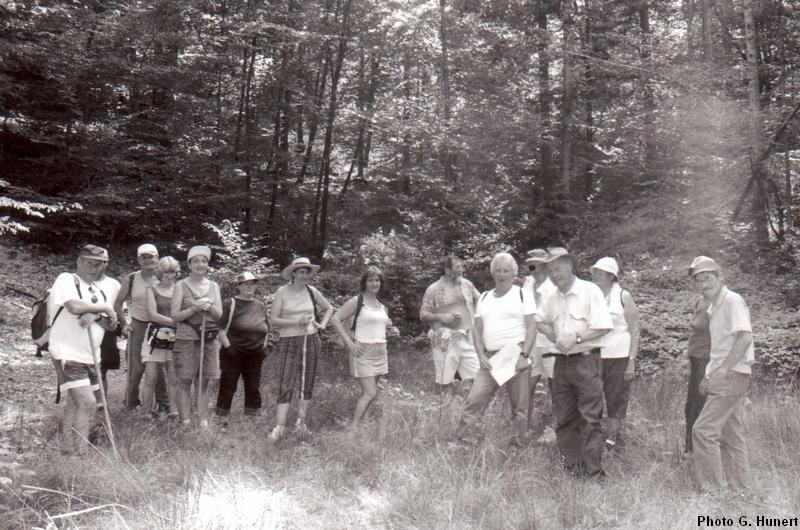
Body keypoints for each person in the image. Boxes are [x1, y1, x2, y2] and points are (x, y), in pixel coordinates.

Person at [536, 247, 612, 479]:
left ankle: (594, 473)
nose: (554, 274)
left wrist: (576, 338)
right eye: (550, 271)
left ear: (570, 266)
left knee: (590, 418)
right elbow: (540, 321)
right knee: (564, 418)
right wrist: (554, 336)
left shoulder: (590, 291)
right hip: (561, 365)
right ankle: (573, 469)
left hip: (586, 363)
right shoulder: (551, 297)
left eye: (558, 269)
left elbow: (603, 326)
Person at [456, 252, 537, 446]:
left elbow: (532, 327)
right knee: (474, 401)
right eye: (498, 270)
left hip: (515, 355)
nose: (501, 274)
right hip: (491, 359)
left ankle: (518, 445)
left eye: (506, 270)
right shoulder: (484, 297)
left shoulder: (522, 294)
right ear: (492, 273)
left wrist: (524, 355)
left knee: (519, 407)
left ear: (514, 273)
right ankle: (463, 442)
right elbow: (477, 329)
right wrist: (481, 355)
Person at [690, 257, 753, 492]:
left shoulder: (732, 300)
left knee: (703, 431)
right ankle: (743, 489)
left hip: (732, 374)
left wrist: (723, 370)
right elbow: (719, 348)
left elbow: (744, 337)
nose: (704, 284)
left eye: (708, 278)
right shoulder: (713, 307)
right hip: (727, 373)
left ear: (719, 277)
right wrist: (708, 376)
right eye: (699, 280)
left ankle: (714, 492)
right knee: (732, 434)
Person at [48, 245, 118, 452]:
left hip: (91, 356)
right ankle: (82, 452)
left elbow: (111, 325)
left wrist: (97, 315)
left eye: (99, 264)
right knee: (88, 402)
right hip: (67, 353)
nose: (94, 268)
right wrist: (104, 309)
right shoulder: (67, 279)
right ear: (79, 261)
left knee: (74, 403)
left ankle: (67, 450)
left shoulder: (97, 290)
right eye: (90, 262)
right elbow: (74, 307)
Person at [268, 257, 334, 440]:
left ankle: (301, 423)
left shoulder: (312, 291)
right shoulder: (282, 292)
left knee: (307, 380)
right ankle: (279, 426)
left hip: (311, 338)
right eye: (301, 272)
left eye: (307, 272)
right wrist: (296, 322)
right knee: (286, 380)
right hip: (289, 340)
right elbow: (273, 319)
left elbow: (329, 308)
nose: (305, 275)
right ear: (293, 273)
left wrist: (322, 325)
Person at [331, 266, 398, 424]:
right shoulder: (357, 301)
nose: (374, 283)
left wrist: (392, 331)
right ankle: (354, 427)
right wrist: (349, 342)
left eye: (377, 280)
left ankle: (365, 426)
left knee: (369, 393)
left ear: (381, 283)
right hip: (362, 351)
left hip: (380, 351)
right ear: (364, 283)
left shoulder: (382, 307)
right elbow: (335, 319)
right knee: (370, 393)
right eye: (371, 280)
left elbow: (383, 328)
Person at [589, 257, 640, 448]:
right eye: (595, 272)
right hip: (594, 355)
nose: (596, 276)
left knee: (616, 398)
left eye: (601, 272)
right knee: (592, 396)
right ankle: (593, 436)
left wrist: (631, 360)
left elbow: (634, 330)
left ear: (612, 276)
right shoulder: (591, 296)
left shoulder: (623, 296)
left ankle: (614, 438)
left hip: (619, 356)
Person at [171, 245, 223, 428]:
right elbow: (175, 316)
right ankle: (185, 421)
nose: (200, 264)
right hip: (187, 338)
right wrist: (194, 308)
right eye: (196, 261)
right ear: (189, 264)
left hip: (209, 338)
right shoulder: (180, 286)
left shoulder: (214, 286)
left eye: (204, 261)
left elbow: (220, 316)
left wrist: (209, 307)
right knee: (185, 379)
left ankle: (202, 420)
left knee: (205, 380)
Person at [115, 244, 168, 411]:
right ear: (139, 260)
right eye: (144, 257)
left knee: (158, 367)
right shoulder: (131, 278)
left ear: (157, 258)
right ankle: (130, 403)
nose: (148, 260)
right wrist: (124, 324)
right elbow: (117, 303)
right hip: (137, 325)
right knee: (135, 367)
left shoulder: (164, 277)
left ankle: (163, 404)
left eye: (151, 256)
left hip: (159, 326)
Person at [419, 256, 481, 395]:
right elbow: (423, 314)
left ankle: (468, 410)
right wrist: (441, 317)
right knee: (444, 382)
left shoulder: (467, 285)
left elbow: (480, 299)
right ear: (447, 270)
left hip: (466, 337)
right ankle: (445, 411)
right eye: (457, 267)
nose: (461, 270)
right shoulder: (434, 289)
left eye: (462, 267)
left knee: (476, 378)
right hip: (443, 340)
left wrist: (473, 316)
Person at [215, 272, 270, 419]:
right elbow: (220, 328)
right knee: (228, 386)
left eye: (252, 284)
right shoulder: (230, 303)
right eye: (246, 284)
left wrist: (263, 347)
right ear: (239, 286)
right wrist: (228, 347)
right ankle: (221, 418)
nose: (249, 286)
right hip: (233, 352)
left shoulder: (261, 305)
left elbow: (266, 328)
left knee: (253, 386)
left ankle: (252, 417)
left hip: (255, 353)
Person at [522, 248, 558, 433]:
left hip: (551, 343)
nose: (536, 270)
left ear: (547, 264)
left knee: (557, 388)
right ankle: (523, 429)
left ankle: (554, 430)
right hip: (530, 343)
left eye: (540, 265)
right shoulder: (527, 284)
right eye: (531, 266)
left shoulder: (556, 284)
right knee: (526, 386)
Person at [140, 256, 181, 419]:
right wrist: (174, 320)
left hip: (176, 336)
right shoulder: (152, 289)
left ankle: (173, 410)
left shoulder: (180, 288)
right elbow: (153, 314)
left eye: (172, 272)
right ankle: (146, 412)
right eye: (165, 273)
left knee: (173, 376)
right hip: (155, 335)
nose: (169, 276)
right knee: (151, 376)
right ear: (159, 273)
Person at [684, 256, 712, 453]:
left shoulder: (719, 302)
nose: (700, 283)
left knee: (700, 409)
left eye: (705, 277)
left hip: (708, 362)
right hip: (696, 361)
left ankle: (697, 452)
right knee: (691, 408)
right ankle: (690, 451)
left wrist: (709, 372)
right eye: (697, 278)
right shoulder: (700, 301)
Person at [96, 262, 122, 398]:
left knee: (102, 370)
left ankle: (101, 404)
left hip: (108, 327)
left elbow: (120, 307)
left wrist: (121, 325)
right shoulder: (80, 283)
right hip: (86, 326)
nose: (99, 265)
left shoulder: (114, 284)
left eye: (102, 262)